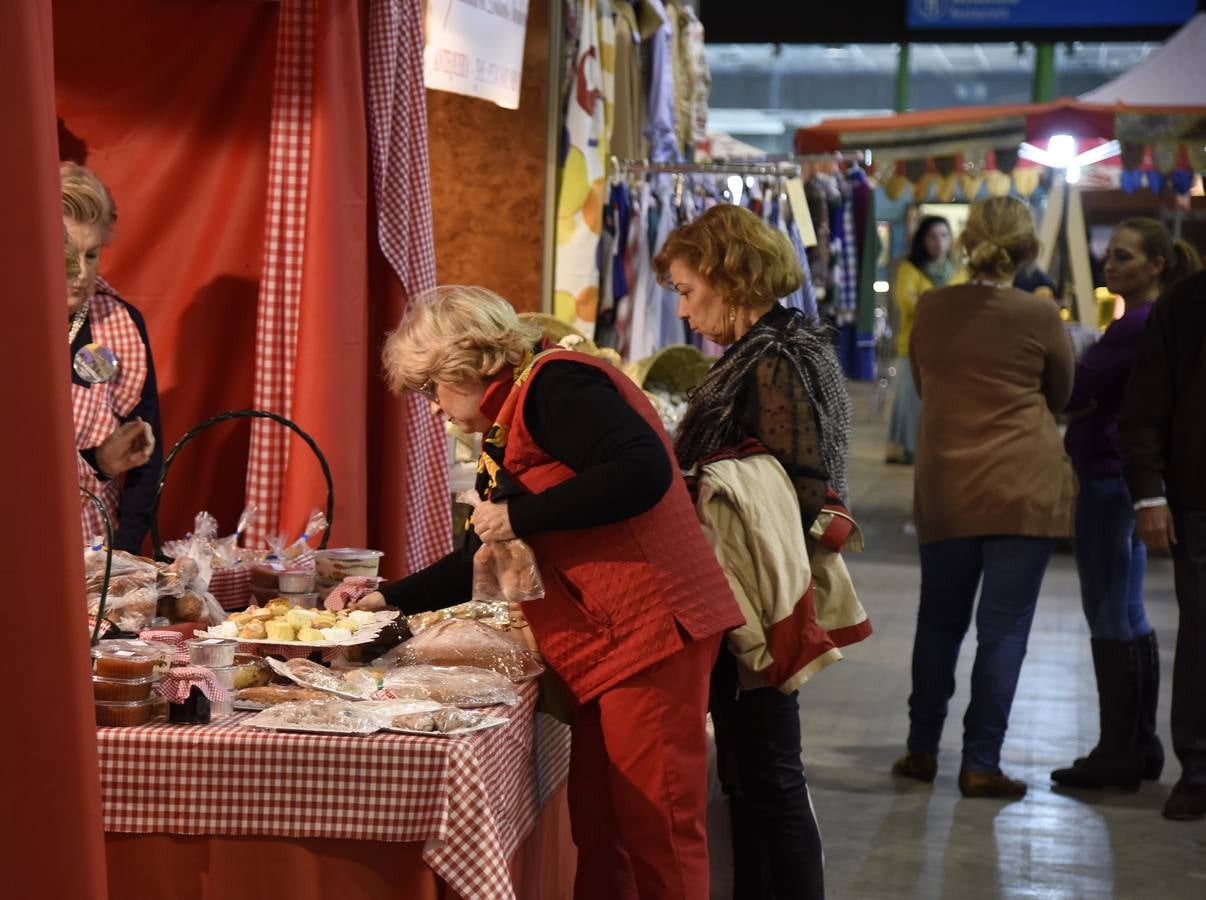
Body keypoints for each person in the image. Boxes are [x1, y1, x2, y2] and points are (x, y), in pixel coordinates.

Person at [351, 286, 743, 899]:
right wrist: (388, 600)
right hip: (607, 640)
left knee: (659, 828)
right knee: (600, 822)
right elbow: (480, 555)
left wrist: (521, 516)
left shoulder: (555, 386)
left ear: (465, 361)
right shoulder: (514, 415)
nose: (433, 408)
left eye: (431, 388)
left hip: (649, 631)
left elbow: (642, 469)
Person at [654, 203, 867, 900]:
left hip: (759, 593)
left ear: (728, 276)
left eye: (687, 290)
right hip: (753, 588)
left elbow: (793, 489)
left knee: (769, 774)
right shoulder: (775, 346)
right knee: (752, 775)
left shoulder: (775, 356)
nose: (682, 310)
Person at [891, 196, 1076, 799]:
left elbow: (925, 383)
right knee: (1004, 631)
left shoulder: (932, 307)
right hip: (1024, 486)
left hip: (948, 482)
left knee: (938, 623)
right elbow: (1061, 393)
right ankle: (980, 763)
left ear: (969, 242)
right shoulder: (1039, 313)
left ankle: (921, 749)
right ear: (1027, 249)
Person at [1052, 219, 1201, 791]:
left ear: (1156, 265)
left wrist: (1079, 402)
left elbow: (1073, 389)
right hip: (1123, 476)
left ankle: (1121, 749)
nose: (1110, 265)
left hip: (1110, 477)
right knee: (1127, 611)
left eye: (1124, 257)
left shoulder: (1138, 323)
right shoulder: (1149, 319)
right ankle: (1137, 745)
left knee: (1110, 610)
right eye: (1109, 256)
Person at [1122, 267, 1206, 821]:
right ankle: (1198, 768)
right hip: (1198, 499)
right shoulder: (1186, 302)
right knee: (1201, 634)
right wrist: (1149, 493)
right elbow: (1146, 405)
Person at [63, 162, 162, 552]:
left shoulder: (118, 325)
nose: (80, 272)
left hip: (93, 548)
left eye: (91, 255)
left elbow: (145, 456)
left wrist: (124, 552)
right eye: (68, 255)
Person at [886, 215, 966, 465]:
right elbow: (907, 302)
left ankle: (936, 447)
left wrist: (928, 299)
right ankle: (910, 448)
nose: (939, 241)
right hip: (913, 345)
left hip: (949, 348)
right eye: (932, 236)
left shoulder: (958, 272)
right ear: (922, 240)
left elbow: (964, 305)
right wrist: (945, 303)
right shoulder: (909, 268)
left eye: (944, 235)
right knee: (910, 399)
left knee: (942, 402)